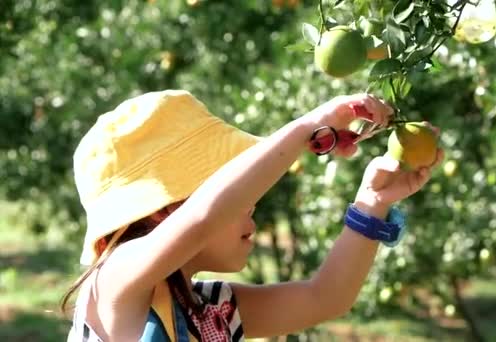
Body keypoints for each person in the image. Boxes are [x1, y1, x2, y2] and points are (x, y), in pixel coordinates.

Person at [62, 89, 443, 341]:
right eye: (234, 190)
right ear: (163, 210)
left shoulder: (213, 311)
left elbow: (325, 298)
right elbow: (203, 218)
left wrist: (371, 203)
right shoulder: (116, 283)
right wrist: (310, 126)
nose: (252, 201)